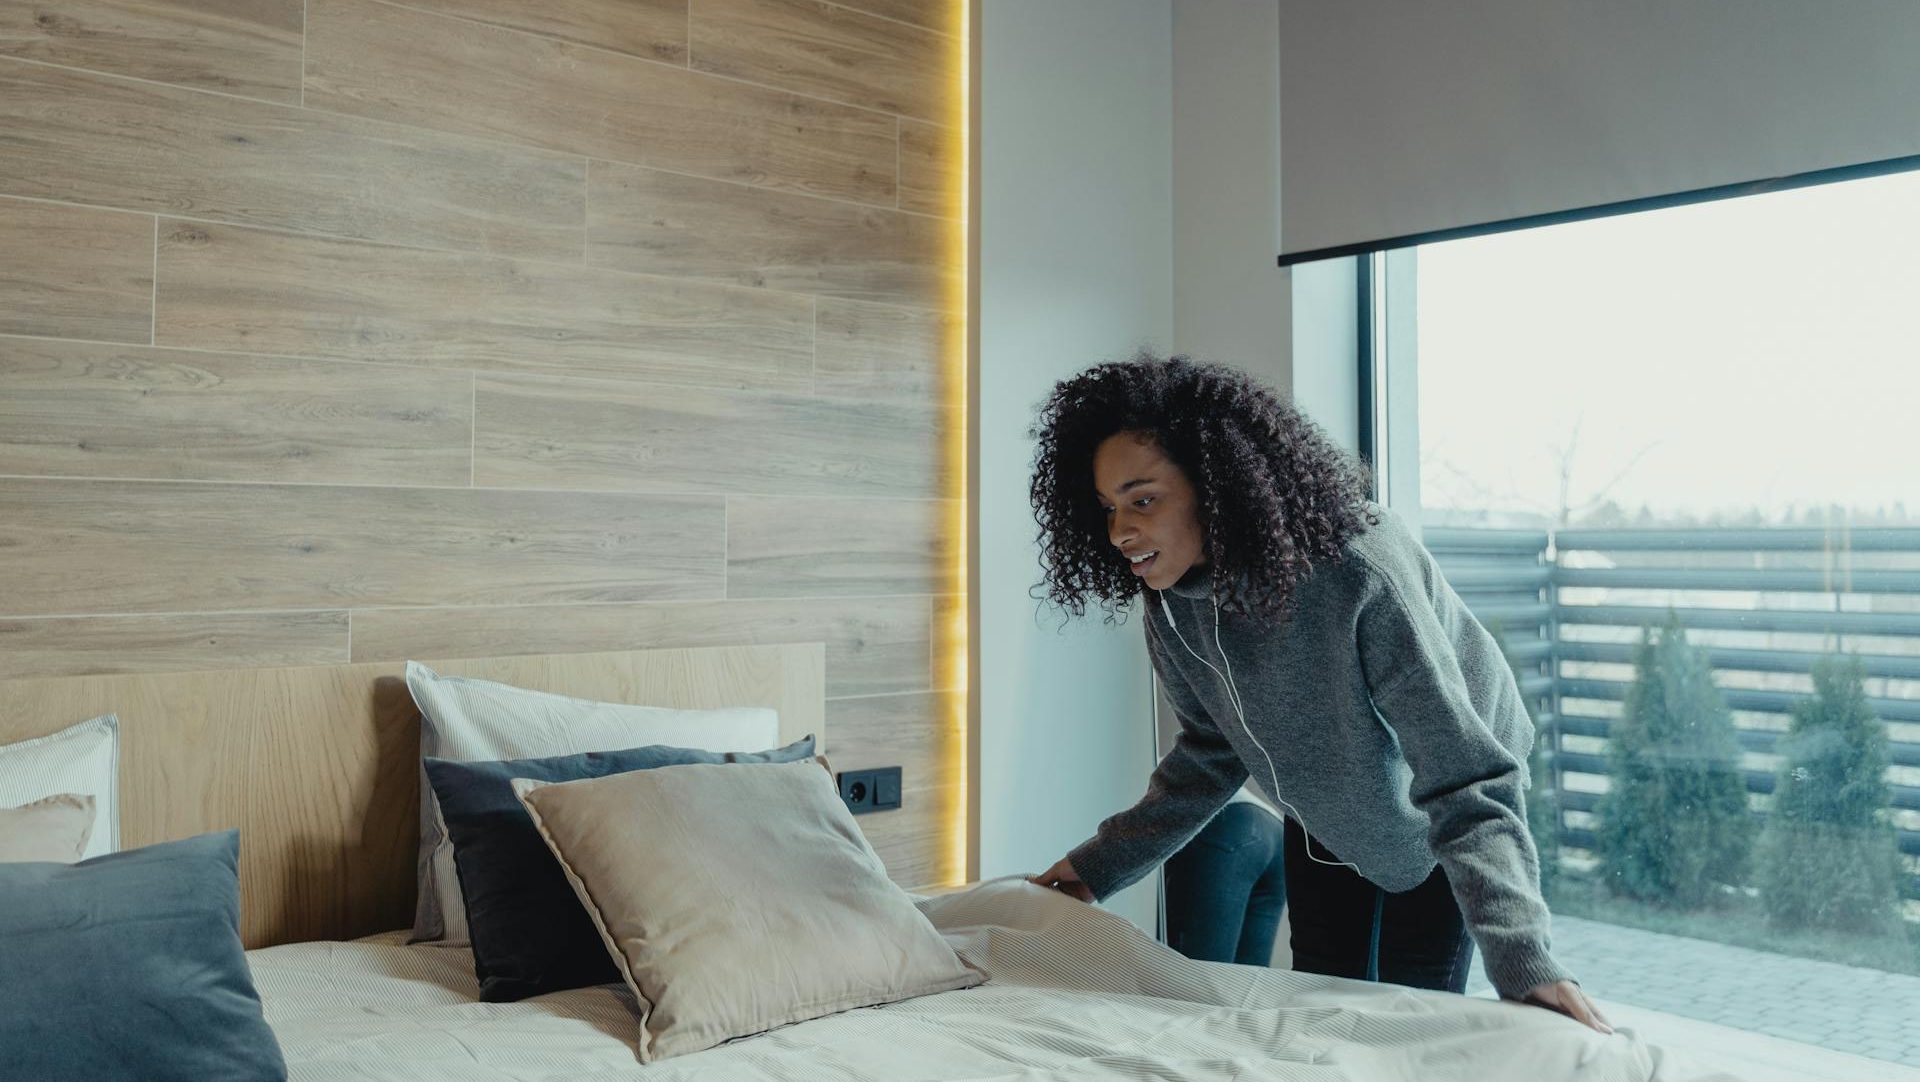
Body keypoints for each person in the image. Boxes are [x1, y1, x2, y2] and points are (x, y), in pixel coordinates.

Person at [1023, 354, 1610, 1033]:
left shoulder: (1359, 574)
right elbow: (1212, 753)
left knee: (1408, 1039)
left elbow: (1465, 781)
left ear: (1216, 486)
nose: (1121, 531)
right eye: (1109, 509)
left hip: (1438, 822)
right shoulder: (1171, 605)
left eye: (1144, 499)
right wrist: (1095, 868)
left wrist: (1527, 962)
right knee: (1321, 1029)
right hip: (1326, 822)